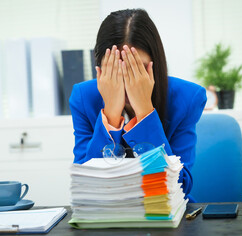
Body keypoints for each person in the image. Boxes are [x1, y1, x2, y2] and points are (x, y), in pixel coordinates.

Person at [69, 9, 206, 202]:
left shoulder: (188, 98)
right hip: (106, 214)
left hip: (166, 217)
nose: (127, 82)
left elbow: (180, 185)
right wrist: (111, 113)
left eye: (136, 69)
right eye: (116, 70)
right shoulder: (84, 97)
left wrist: (145, 113)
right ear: (100, 69)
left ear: (155, 64)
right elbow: (85, 182)